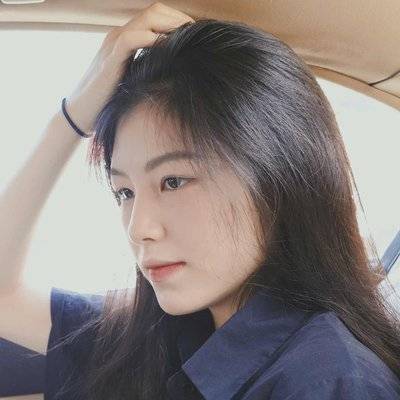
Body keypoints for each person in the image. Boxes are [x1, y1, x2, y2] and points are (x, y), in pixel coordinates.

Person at [0, 2, 399, 399]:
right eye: (125, 191)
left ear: (276, 178)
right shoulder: (169, 334)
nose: (139, 228)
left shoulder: (328, 382)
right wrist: (75, 113)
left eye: (173, 182)